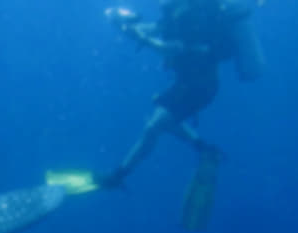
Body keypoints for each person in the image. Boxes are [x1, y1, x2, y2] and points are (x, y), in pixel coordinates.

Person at [97, 0, 263, 188]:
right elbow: (154, 28)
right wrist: (123, 25)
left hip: (201, 88)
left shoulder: (194, 17)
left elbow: (169, 48)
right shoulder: (177, 12)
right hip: (186, 83)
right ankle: (203, 148)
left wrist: (139, 36)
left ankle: (118, 176)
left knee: (153, 127)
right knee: (163, 121)